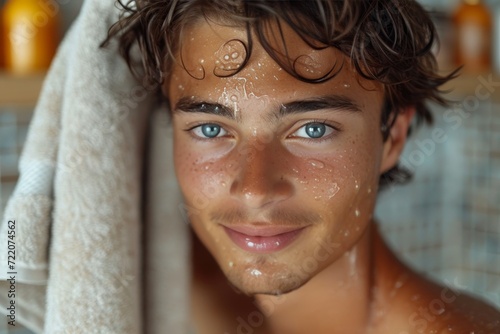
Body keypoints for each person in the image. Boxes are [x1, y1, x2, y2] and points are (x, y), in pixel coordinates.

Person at [105, 0, 500, 333]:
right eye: (211, 128)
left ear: (392, 138)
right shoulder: (160, 285)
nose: (254, 190)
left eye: (313, 129)